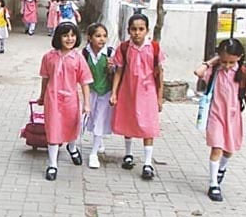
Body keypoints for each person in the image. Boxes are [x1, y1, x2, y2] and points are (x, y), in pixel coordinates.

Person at [194, 38, 246, 201]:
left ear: (239, 57)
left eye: (231, 61)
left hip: (233, 117)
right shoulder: (215, 70)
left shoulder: (244, 74)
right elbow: (198, 72)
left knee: (228, 150)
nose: (227, 65)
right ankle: (213, 184)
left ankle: (221, 169)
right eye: (224, 61)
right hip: (216, 115)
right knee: (217, 148)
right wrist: (213, 61)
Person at [110, 13, 166, 180]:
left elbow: (160, 73)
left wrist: (160, 96)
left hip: (148, 92)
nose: (137, 33)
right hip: (128, 90)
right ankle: (128, 154)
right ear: (128, 30)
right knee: (129, 121)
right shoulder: (124, 47)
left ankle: (148, 163)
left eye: (141, 29)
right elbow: (119, 71)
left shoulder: (154, 48)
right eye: (133, 29)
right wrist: (114, 92)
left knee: (148, 125)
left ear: (147, 30)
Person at [38, 22, 93, 181]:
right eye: (65, 35)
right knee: (53, 130)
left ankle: (72, 147)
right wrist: (42, 96)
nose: (69, 39)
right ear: (58, 37)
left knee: (71, 127)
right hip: (53, 99)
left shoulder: (78, 58)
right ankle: (53, 164)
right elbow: (45, 78)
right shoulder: (49, 57)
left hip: (71, 99)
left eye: (72, 35)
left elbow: (85, 82)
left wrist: (87, 104)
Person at [82, 23, 114, 168]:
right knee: (93, 117)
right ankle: (98, 141)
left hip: (105, 92)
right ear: (89, 38)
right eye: (98, 36)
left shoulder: (109, 53)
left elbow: (117, 74)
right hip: (91, 91)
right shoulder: (85, 53)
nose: (102, 39)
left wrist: (111, 68)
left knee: (100, 118)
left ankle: (93, 154)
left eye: (104, 36)